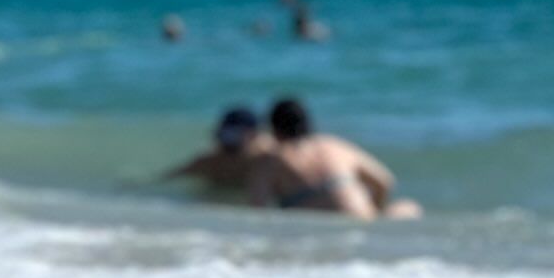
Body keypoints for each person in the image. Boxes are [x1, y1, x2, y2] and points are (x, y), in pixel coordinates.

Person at [247, 96, 413, 218]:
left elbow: (258, 210)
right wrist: (375, 212)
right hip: (363, 222)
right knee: (409, 207)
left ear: (274, 129)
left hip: (317, 233)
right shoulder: (334, 145)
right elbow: (385, 181)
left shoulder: (272, 160)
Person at [165, 104, 278, 194]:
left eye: (234, 137)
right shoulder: (210, 163)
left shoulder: (267, 157)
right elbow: (167, 179)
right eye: (225, 136)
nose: (228, 143)